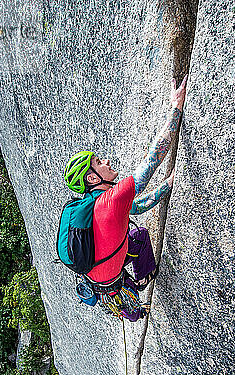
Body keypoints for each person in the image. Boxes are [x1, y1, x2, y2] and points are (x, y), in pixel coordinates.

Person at [63, 76, 188, 321]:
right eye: (99, 163)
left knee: (137, 236)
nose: (106, 162)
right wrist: (176, 107)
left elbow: (137, 207)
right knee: (139, 237)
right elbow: (154, 157)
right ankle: (145, 276)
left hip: (98, 280)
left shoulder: (93, 205)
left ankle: (132, 294)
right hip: (112, 275)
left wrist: (167, 185)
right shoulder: (112, 200)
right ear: (92, 180)